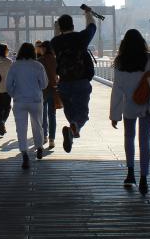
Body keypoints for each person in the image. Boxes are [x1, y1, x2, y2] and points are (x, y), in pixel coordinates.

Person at [109, 29, 150, 195]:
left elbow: (117, 89)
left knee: (129, 137)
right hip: (147, 105)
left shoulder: (120, 62)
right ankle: (144, 178)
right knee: (145, 141)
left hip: (129, 106)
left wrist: (114, 115)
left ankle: (130, 173)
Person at [51, 9, 96, 153]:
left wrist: (56, 28)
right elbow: (92, 27)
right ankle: (74, 128)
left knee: (69, 110)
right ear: (73, 25)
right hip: (81, 81)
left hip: (63, 82)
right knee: (82, 113)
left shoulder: (55, 42)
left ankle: (73, 128)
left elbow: (58, 38)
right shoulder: (81, 38)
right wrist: (88, 14)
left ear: (60, 27)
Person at [6, 42, 48, 169]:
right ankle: (39, 147)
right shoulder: (38, 65)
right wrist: (36, 89)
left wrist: (15, 95)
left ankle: (24, 154)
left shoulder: (14, 66)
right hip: (35, 100)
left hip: (19, 101)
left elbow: (8, 86)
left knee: (21, 128)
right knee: (37, 125)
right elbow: (44, 84)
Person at [38, 39, 58, 149]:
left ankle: (44, 136)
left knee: (43, 114)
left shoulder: (40, 60)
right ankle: (52, 139)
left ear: (44, 48)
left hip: (42, 90)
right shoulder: (55, 59)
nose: (40, 49)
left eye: (41, 48)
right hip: (54, 90)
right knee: (52, 115)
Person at [0, 43, 13, 136]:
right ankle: (2, 122)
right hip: (7, 89)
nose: (8, 51)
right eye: (7, 49)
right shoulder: (9, 62)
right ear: (5, 51)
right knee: (7, 107)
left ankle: (1, 123)